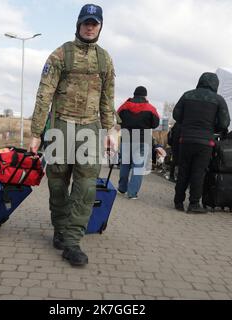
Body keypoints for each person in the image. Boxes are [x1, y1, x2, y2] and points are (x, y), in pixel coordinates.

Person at [28, 4, 115, 267]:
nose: (90, 27)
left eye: (95, 23)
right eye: (86, 22)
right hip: (59, 128)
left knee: (86, 186)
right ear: (78, 24)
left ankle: (73, 241)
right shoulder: (60, 55)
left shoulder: (105, 59)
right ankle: (60, 230)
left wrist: (111, 129)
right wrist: (36, 133)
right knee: (57, 183)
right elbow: (44, 94)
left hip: (90, 128)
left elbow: (108, 98)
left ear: (100, 27)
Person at [173, 72, 230, 213]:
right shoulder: (218, 100)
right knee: (198, 173)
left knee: (183, 171)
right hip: (205, 142)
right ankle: (193, 204)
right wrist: (212, 128)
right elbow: (224, 123)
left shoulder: (187, 95)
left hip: (185, 139)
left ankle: (178, 202)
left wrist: (186, 123)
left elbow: (176, 115)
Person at [117, 86, 160, 199]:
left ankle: (122, 188)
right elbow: (155, 124)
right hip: (142, 139)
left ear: (134, 94)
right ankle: (132, 193)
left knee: (125, 164)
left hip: (126, 138)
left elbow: (118, 119)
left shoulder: (124, 106)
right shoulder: (150, 108)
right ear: (145, 95)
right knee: (138, 167)